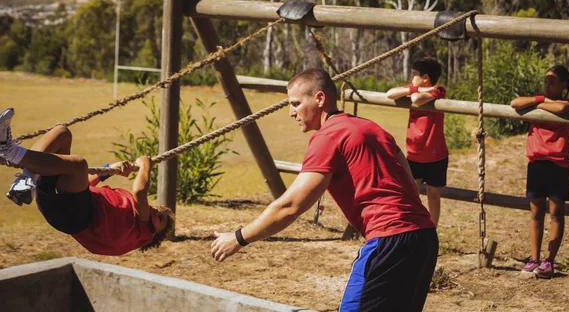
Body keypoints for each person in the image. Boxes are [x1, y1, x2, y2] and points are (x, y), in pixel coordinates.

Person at [211, 68, 438, 312]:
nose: (291, 112)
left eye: (296, 103)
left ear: (319, 99)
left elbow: (291, 206)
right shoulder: (373, 129)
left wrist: (238, 238)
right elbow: (408, 179)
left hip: (388, 241)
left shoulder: (329, 137)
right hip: (424, 239)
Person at [0, 107, 174, 256]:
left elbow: (140, 192)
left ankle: (10, 151)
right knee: (62, 133)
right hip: (62, 202)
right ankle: (26, 179)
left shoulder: (143, 229)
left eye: (160, 218)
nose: (155, 211)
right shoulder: (125, 212)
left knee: (79, 165)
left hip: (76, 217)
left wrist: (145, 166)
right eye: (159, 209)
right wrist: (110, 169)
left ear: (153, 234)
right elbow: (85, 185)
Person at [510, 65, 569, 279]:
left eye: (552, 82)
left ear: (564, 85)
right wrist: (540, 99)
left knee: (556, 214)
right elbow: (515, 103)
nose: (547, 85)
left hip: (558, 165)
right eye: (546, 81)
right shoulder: (538, 103)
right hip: (536, 164)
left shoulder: (568, 104)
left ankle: (549, 261)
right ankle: (534, 258)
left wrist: (542, 103)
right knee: (536, 214)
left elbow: (560, 109)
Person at [385, 57, 448, 227]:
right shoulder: (414, 88)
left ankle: (431, 230)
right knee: (411, 193)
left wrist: (412, 90)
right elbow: (389, 93)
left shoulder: (438, 90)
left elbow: (416, 100)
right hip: (414, 154)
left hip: (436, 155)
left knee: (434, 196)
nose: (412, 78)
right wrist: (413, 88)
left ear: (426, 77)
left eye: (415, 75)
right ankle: (412, 227)